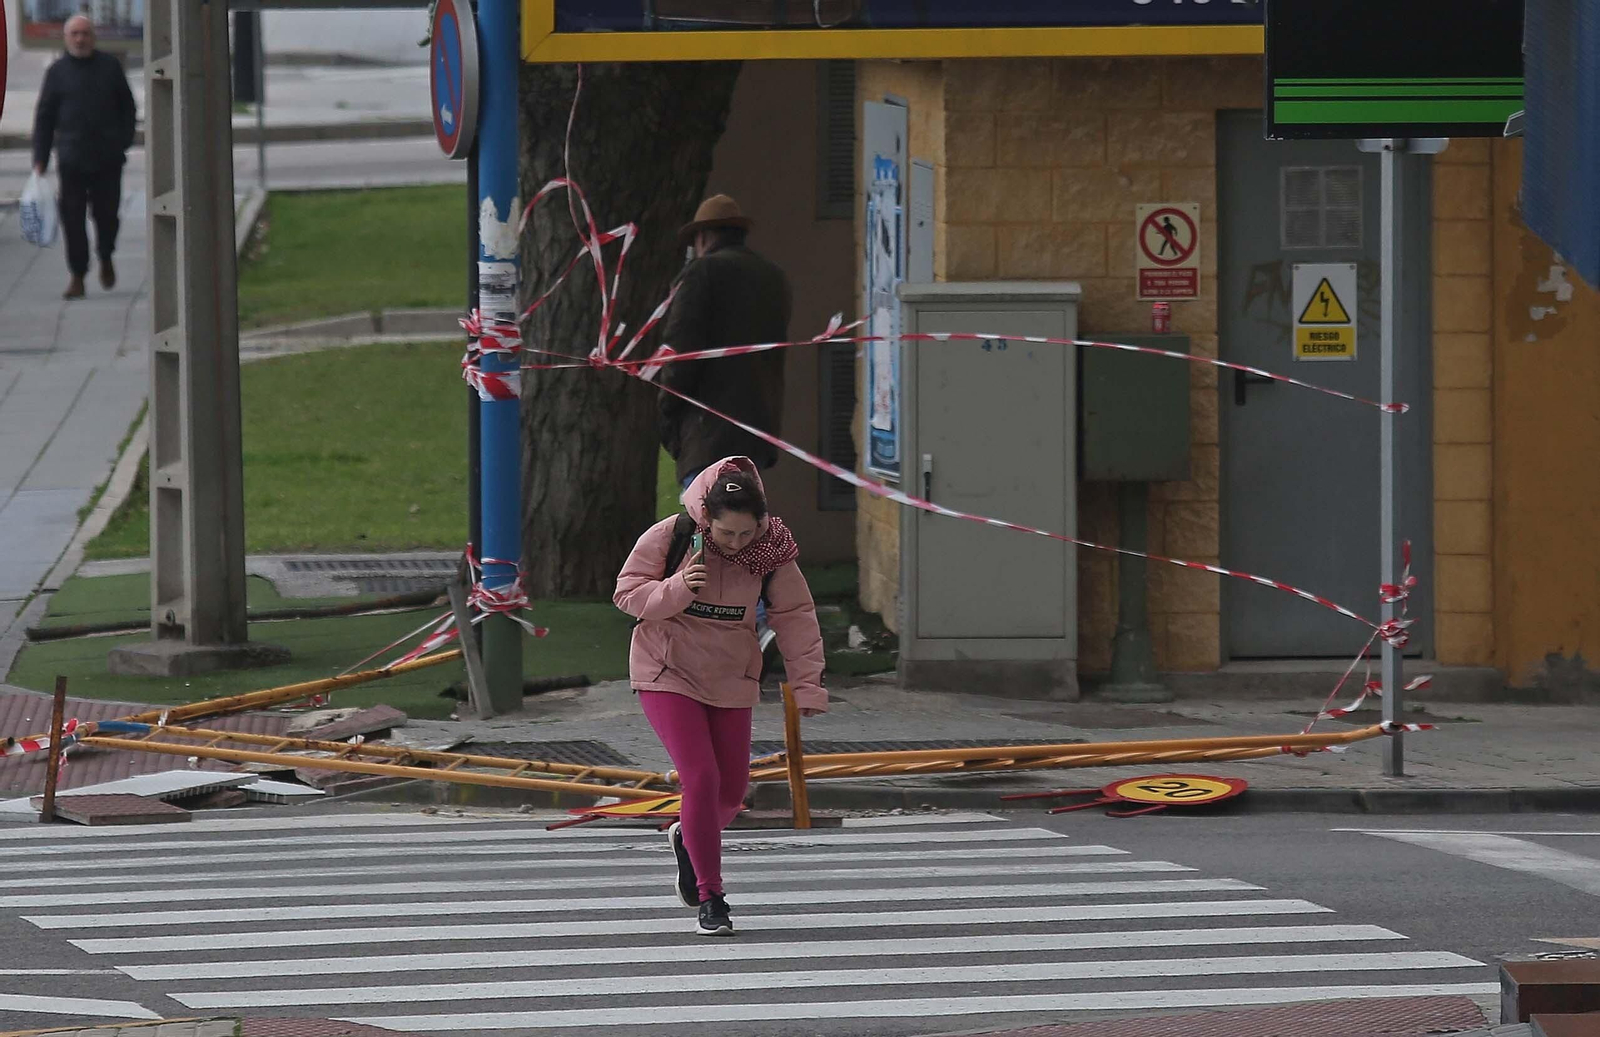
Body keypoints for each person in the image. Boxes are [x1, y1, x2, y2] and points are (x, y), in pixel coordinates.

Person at [614, 456, 826, 937]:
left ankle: (689, 837)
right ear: (707, 518)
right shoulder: (671, 535)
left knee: (731, 791)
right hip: (667, 669)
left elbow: (795, 616)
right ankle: (711, 896)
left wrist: (809, 684)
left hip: (732, 673)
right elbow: (628, 596)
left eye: (745, 535)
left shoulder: (773, 550)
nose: (735, 544)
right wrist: (675, 589)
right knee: (701, 778)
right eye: (726, 534)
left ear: (760, 522)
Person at [657, 195, 794, 663]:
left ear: (702, 237)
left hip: (707, 426)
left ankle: (741, 627)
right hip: (757, 424)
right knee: (746, 527)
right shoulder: (773, 278)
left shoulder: (702, 275)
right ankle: (760, 621)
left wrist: (666, 409)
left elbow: (681, 352)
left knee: (709, 530)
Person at [31, 15, 137, 301]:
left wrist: (122, 142)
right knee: (73, 219)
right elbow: (44, 117)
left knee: (106, 216)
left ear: (93, 36)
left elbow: (128, 107)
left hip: (107, 159)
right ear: (66, 38)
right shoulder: (57, 72)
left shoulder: (110, 67)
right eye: (75, 34)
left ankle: (105, 255)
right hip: (72, 159)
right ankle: (77, 274)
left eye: (85, 33)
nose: (80, 39)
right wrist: (39, 158)